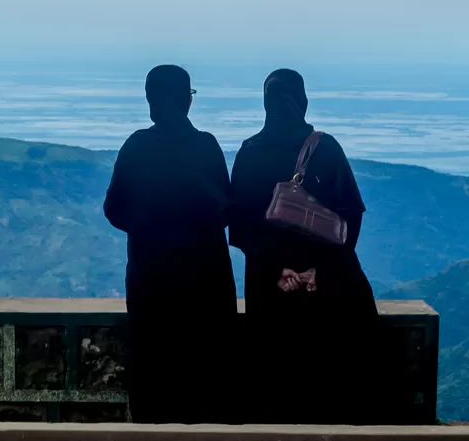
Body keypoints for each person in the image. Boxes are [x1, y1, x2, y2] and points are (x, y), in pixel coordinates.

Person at [229, 67, 378, 423]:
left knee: (276, 377)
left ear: (266, 105)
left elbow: (238, 228)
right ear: (303, 102)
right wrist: (315, 270)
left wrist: (280, 270)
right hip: (326, 288)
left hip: (269, 289)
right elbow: (350, 216)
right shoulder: (325, 148)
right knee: (329, 377)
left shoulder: (249, 152)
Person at [104, 64, 237, 422]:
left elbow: (113, 209)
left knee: (154, 369)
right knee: (206, 371)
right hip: (206, 283)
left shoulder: (136, 147)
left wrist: (149, 229)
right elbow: (227, 208)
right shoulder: (206, 147)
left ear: (151, 101)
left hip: (152, 281)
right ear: (185, 102)